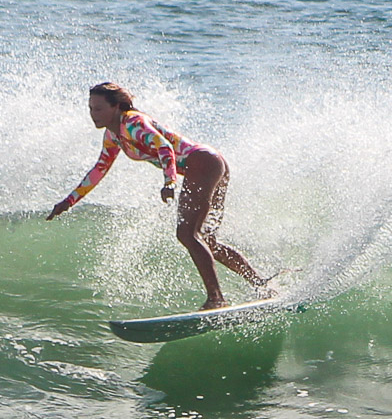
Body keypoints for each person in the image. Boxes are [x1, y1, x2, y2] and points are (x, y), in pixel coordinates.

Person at [47, 82, 273, 311]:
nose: (93, 115)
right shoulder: (114, 135)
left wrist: (170, 181)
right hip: (210, 164)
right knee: (208, 240)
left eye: (98, 109)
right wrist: (69, 201)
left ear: (116, 107)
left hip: (203, 162)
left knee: (187, 233)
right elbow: (99, 169)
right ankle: (261, 285)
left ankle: (216, 298)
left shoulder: (133, 123)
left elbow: (164, 148)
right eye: (90, 109)